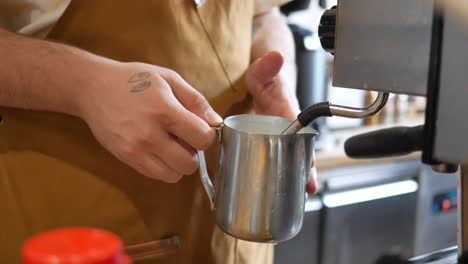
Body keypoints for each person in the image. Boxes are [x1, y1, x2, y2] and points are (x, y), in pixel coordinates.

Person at [0, 1, 317, 263]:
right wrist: (85, 85)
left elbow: (264, 14)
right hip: (79, 238)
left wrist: (279, 77)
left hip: (232, 247)